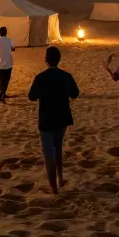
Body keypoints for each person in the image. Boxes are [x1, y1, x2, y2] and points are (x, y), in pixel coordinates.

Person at [28, 46, 79, 194]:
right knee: (58, 147)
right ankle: (60, 177)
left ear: (46, 60)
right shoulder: (66, 76)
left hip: (46, 118)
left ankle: (53, 187)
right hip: (62, 117)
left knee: (48, 153)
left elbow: (31, 96)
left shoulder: (41, 77)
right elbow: (75, 93)